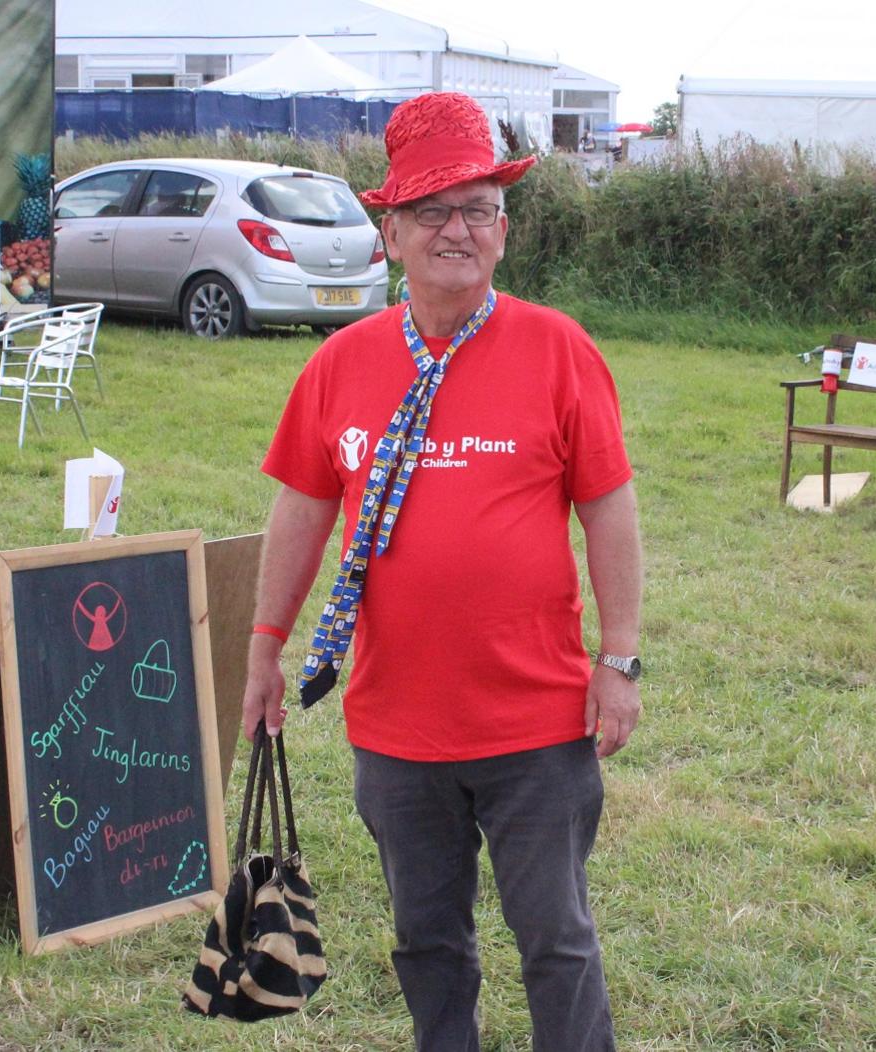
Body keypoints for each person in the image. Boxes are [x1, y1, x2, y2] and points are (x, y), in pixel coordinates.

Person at [241, 91, 642, 1051]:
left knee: (557, 941)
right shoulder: (340, 364)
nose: (456, 230)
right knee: (427, 942)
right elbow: (301, 507)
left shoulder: (558, 349)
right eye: (431, 211)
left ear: (503, 231)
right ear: (389, 233)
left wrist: (619, 660)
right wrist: (263, 646)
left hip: (537, 720)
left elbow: (609, 509)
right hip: (396, 723)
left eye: (476, 210)